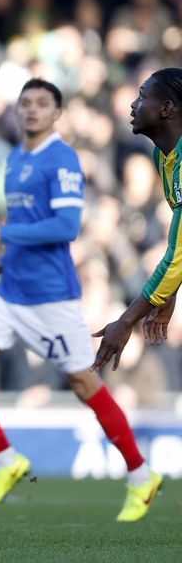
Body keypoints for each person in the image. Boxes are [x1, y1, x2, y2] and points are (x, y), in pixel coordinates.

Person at [0, 78, 161, 522]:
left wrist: (0, 234)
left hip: (50, 299)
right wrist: (3, 261)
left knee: (84, 385)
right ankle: (7, 460)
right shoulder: (14, 160)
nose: (32, 110)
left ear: (57, 114)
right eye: (25, 103)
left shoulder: (61, 160)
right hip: (11, 292)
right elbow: (29, 224)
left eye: (43, 104)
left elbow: (65, 228)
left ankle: (141, 474)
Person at [93, 67, 182, 366]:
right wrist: (167, 294)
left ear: (166, 109)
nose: (133, 104)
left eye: (142, 96)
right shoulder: (164, 158)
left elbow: (176, 257)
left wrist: (125, 321)